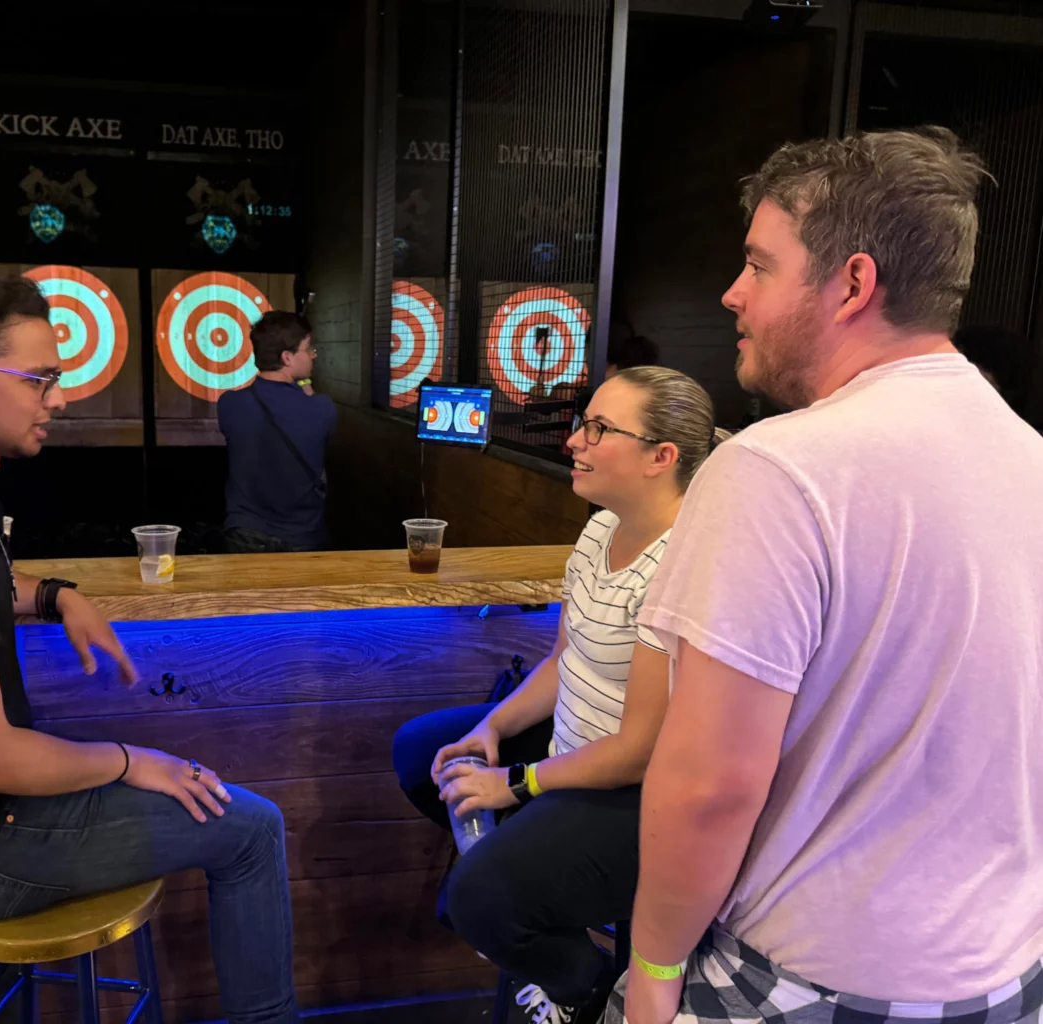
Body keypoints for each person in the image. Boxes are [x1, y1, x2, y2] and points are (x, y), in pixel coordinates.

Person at [616, 128, 1043, 1024]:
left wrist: (653, 969)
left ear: (851, 283)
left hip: (807, 983)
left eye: (759, 267)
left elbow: (709, 785)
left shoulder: (776, 467)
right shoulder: (1028, 453)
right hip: (1003, 980)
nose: (732, 294)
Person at [0, 269, 298, 1024]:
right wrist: (130, 760)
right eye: (40, 379)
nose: (61, 399)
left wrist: (54, 594)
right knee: (248, 830)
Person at [392, 366, 729, 1024]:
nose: (574, 440)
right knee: (420, 751)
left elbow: (636, 754)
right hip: (573, 752)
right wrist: (491, 729)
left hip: (639, 793)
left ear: (661, 457)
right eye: (582, 423)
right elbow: (563, 659)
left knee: (479, 900)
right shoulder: (603, 526)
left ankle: (592, 990)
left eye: (598, 429)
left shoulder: (682, 566)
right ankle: (529, 902)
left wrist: (513, 783)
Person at [218, 311, 335, 553]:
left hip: (244, 532)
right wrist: (305, 385)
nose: (313, 355)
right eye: (308, 348)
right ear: (287, 357)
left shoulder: (228, 403)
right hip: (301, 535)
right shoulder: (322, 408)